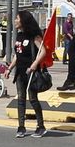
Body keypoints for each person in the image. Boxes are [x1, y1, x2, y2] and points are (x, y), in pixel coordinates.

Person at [12, 9, 48, 137]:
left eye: (17, 18)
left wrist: (34, 65)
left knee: (33, 99)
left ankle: (41, 125)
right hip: (20, 72)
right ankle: (21, 127)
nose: (15, 21)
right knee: (20, 99)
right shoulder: (19, 35)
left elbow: (43, 51)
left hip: (31, 72)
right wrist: (10, 67)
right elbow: (18, 53)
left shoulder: (34, 35)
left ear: (24, 20)